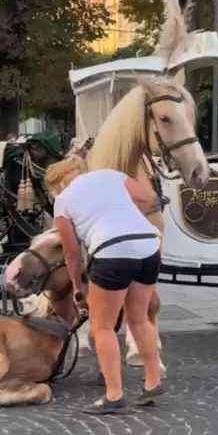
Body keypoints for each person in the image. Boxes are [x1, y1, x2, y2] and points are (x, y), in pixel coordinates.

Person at [45, 156, 163, 415]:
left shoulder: (63, 202)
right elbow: (148, 196)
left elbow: (72, 253)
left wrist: (77, 287)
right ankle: (153, 383)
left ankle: (114, 395)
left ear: (57, 186)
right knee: (140, 319)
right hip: (148, 244)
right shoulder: (110, 174)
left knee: (103, 327)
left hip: (111, 252)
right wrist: (128, 217)